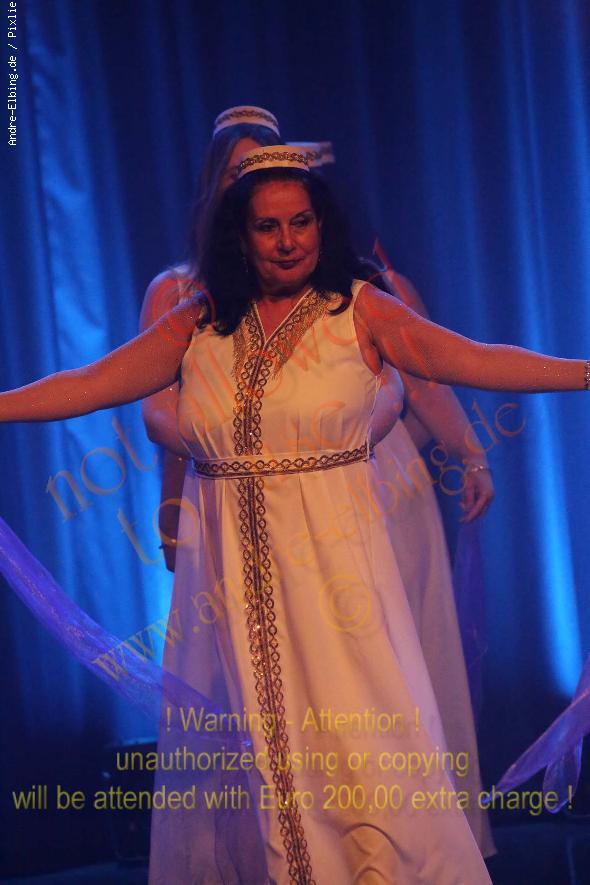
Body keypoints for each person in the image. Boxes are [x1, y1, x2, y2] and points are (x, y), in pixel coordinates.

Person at [3, 145, 588, 883]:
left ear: (322, 224)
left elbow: (471, 358)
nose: (288, 241)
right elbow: (92, 382)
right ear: (239, 235)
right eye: (268, 226)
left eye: (301, 222)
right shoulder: (199, 323)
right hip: (245, 587)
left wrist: (583, 372)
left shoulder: (359, 309)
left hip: (339, 576)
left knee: (368, 746)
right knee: (280, 761)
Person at [139, 106, 282, 571]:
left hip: (306, 490)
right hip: (212, 487)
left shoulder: (312, 291)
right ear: (213, 186)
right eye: (236, 173)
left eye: (260, 171)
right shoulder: (176, 292)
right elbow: (159, 411)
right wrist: (236, 451)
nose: (248, 186)